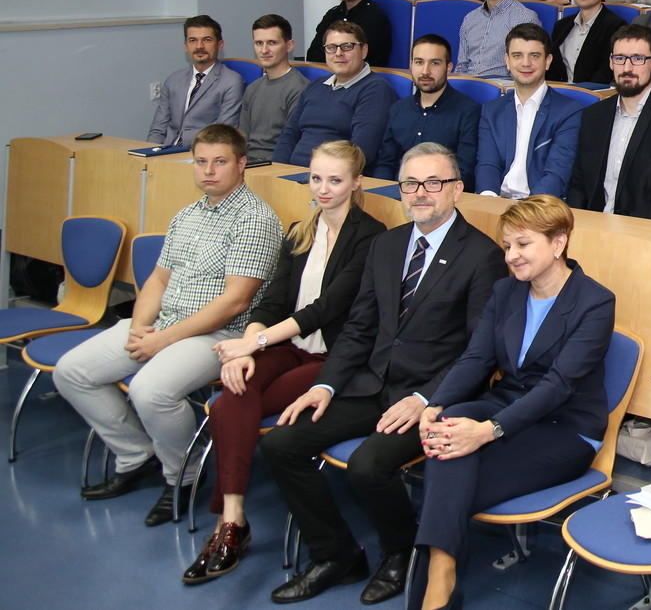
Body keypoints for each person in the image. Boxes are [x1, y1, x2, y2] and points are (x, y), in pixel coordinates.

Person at [261, 143, 501, 607]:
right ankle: (336, 555)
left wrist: (427, 398)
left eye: (433, 182)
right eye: (410, 183)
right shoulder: (387, 245)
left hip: (430, 397)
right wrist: (325, 384)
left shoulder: (481, 256)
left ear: (456, 189)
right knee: (281, 444)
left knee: (369, 466)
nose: (420, 193)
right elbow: (360, 327)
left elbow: (479, 352)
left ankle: (400, 553)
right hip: (371, 385)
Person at [60, 124, 282, 527]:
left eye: (219, 162)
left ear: (241, 164)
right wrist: (139, 327)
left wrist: (162, 340)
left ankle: (184, 475)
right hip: (165, 324)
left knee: (151, 390)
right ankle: (135, 455)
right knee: (71, 372)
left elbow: (235, 302)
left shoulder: (255, 219)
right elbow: (158, 281)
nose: (208, 171)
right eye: (201, 161)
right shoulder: (187, 215)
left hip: (220, 336)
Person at [186, 140, 384, 586]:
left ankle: (229, 527)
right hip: (285, 345)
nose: (323, 189)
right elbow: (273, 300)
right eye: (316, 178)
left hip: (332, 357)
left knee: (231, 401)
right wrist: (248, 346)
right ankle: (232, 518)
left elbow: (326, 309)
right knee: (235, 391)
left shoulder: (371, 236)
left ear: (356, 183)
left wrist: (253, 343)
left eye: (335, 180)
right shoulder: (299, 231)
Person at [413, 195, 615, 610]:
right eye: (507, 246)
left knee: (447, 481)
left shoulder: (595, 302)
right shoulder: (505, 291)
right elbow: (476, 358)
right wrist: (436, 403)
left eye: (523, 244)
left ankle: (437, 580)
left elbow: (558, 386)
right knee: (450, 429)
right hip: (506, 403)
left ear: (558, 243)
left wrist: (487, 431)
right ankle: (441, 577)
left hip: (566, 428)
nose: (511, 256)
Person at [566, 25, 651, 221]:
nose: (627, 68)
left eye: (638, 59)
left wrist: (625, 228)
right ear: (611, 62)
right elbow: (578, 184)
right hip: (592, 226)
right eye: (620, 58)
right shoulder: (594, 115)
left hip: (643, 229)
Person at [274, 21, 397, 167]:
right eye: (331, 48)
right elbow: (289, 134)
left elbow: (360, 152)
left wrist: (318, 176)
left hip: (332, 177)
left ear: (363, 50)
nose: (338, 53)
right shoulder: (315, 86)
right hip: (291, 174)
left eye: (347, 46)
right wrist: (278, 170)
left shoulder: (376, 90)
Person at [372, 35, 480, 182]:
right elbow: (385, 164)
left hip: (442, 191)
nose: (425, 71)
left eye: (434, 63)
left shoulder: (468, 111)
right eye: (419, 62)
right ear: (411, 65)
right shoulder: (398, 109)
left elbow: (465, 173)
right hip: (399, 190)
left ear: (448, 67)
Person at [148, 14, 244, 147]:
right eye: (192, 40)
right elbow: (158, 130)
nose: (199, 46)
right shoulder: (174, 80)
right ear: (185, 46)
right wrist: (149, 153)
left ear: (220, 45)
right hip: (166, 151)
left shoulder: (232, 82)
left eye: (207, 40)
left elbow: (223, 135)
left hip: (201, 153)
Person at [456, 0, 538, 79]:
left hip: (502, 88)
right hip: (467, 86)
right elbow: (461, 66)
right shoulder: (470, 18)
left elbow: (523, 73)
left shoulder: (524, 18)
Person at [239, 14, 308, 163]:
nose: (264, 50)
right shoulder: (252, 88)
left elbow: (292, 143)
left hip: (277, 164)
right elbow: (242, 139)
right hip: (248, 163)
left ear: (289, 45)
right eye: (259, 43)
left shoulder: (300, 89)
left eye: (272, 43)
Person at [549, 0, 627, 84]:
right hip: (558, 92)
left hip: (593, 93)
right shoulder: (561, 26)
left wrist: (580, 93)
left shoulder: (616, 26)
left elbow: (606, 73)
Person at [307, 0, 393, 67]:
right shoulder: (332, 14)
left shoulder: (374, 18)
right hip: (327, 73)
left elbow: (358, 59)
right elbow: (312, 54)